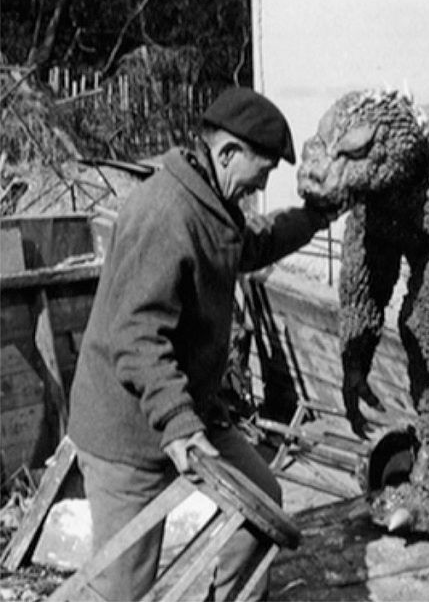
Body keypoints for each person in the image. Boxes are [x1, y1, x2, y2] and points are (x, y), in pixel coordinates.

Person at [67, 87, 336, 601]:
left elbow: (247, 245)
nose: (264, 183)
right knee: (125, 589)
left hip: (188, 411)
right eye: (265, 168)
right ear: (229, 153)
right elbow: (137, 336)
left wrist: (316, 217)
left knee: (260, 507)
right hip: (129, 432)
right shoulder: (166, 213)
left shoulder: (209, 199)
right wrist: (179, 425)